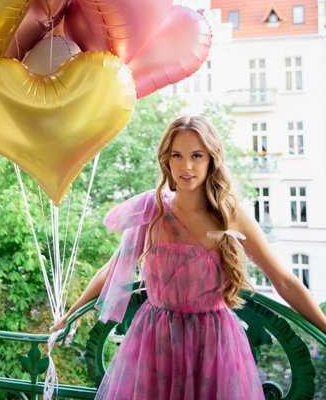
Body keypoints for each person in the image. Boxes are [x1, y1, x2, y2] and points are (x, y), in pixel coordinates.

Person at [53, 116, 326, 399]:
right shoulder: (152, 209)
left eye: (196, 156)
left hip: (213, 345)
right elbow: (113, 269)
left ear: (211, 159)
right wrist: (71, 315)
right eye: (177, 155)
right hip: (155, 342)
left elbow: (284, 281)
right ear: (166, 160)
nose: (186, 166)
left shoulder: (229, 213)